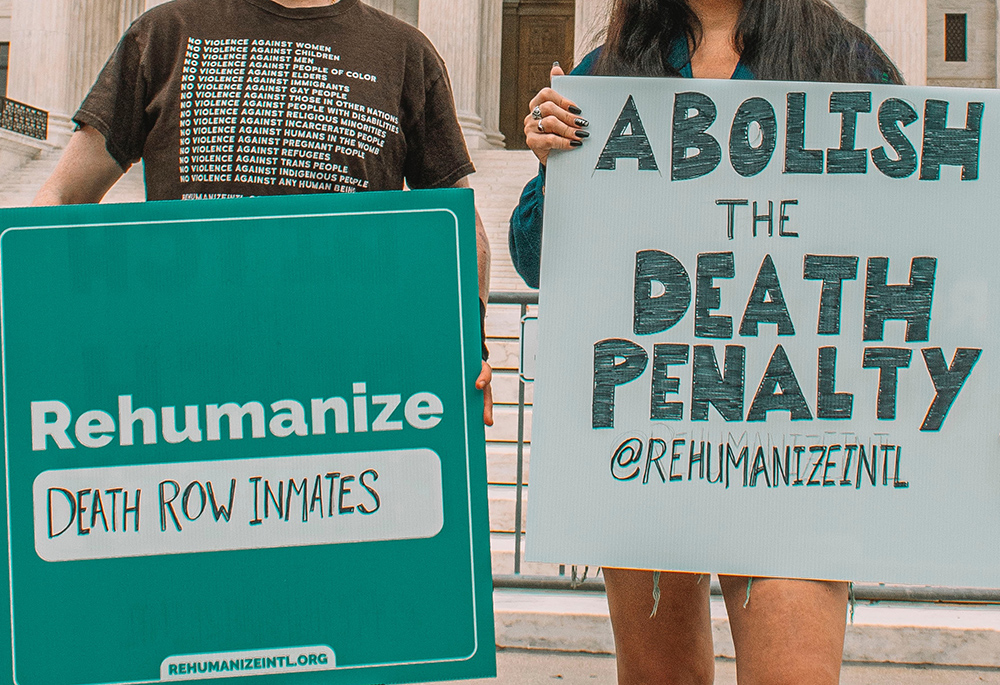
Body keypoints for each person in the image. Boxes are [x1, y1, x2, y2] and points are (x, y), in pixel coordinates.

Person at [508, 0, 902, 682]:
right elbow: (538, 259)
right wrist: (553, 171)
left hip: (793, 436)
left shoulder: (843, 58)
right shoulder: (612, 66)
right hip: (650, 426)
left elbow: (914, 227)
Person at [34, 0, 493, 424]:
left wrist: (469, 344)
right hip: (182, 390)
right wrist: (30, 330)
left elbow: (459, 226)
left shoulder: (405, 51)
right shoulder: (163, 34)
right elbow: (60, 202)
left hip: (347, 392)